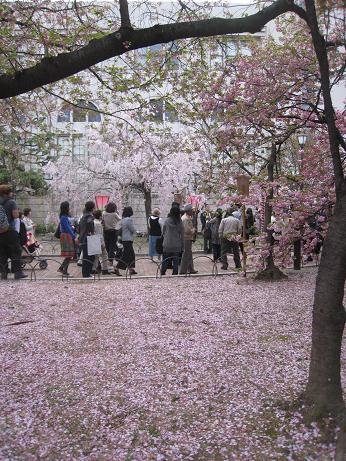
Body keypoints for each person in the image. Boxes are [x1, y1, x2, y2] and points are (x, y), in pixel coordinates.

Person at [0, 184, 27, 280]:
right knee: (16, 250)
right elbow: (15, 216)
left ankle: (3, 272)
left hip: (0, 232)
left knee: (2, 252)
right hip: (10, 230)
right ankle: (17, 272)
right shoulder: (11, 202)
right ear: (7, 193)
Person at [161, 206, 184, 275]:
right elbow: (182, 234)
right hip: (176, 244)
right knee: (176, 261)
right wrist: (183, 245)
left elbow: (163, 232)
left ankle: (162, 272)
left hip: (167, 243)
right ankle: (175, 273)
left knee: (165, 260)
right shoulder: (180, 222)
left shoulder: (167, 221)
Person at [58, 201, 78, 276]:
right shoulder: (63, 217)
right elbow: (67, 228)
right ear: (66, 208)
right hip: (66, 236)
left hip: (66, 235)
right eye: (68, 206)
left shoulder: (64, 217)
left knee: (69, 254)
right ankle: (64, 270)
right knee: (69, 254)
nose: (69, 208)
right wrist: (74, 236)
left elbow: (68, 227)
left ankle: (62, 269)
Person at [116, 206, 137, 276]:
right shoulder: (129, 220)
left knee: (131, 254)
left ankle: (131, 269)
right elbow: (132, 229)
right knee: (126, 255)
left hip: (124, 238)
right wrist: (136, 231)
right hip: (128, 239)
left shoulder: (123, 219)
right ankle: (117, 268)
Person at [79, 201, 96, 278]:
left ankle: (85, 274)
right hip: (88, 238)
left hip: (82, 238)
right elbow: (90, 226)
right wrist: (92, 230)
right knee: (90, 257)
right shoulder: (89, 217)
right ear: (92, 208)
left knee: (86, 257)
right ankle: (87, 274)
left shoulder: (83, 216)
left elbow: (79, 228)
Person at [180, 204, 198, 275]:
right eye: (191, 210)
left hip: (187, 238)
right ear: (188, 211)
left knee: (189, 254)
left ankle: (191, 269)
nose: (192, 212)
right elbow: (187, 230)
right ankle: (183, 270)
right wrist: (193, 230)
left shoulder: (187, 217)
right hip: (186, 238)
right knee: (186, 254)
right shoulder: (186, 219)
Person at [92, 209, 111, 275]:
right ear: (100, 216)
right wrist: (103, 243)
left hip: (93, 239)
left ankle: (94, 269)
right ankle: (105, 269)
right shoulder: (99, 224)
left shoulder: (93, 222)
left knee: (96, 256)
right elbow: (100, 234)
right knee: (104, 254)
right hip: (99, 240)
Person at [103, 202, 121, 269]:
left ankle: (109, 259)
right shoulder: (114, 214)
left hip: (106, 231)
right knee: (112, 246)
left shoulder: (104, 213)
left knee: (107, 245)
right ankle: (110, 261)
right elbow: (120, 219)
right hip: (113, 231)